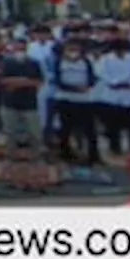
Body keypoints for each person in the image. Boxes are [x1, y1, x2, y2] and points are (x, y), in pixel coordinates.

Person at [0, 38, 45, 187]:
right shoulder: (7, 62)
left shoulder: (34, 63)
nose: (19, 51)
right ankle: (10, 158)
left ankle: (36, 157)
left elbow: (38, 82)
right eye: (17, 47)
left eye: (22, 48)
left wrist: (19, 82)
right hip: (10, 103)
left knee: (34, 132)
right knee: (10, 132)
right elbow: (3, 81)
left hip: (29, 104)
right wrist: (24, 81)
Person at [53, 38, 101, 167]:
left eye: (76, 50)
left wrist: (87, 87)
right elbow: (57, 81)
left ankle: (93, 155)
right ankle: (65, 153)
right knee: (65, 129)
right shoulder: (59, 62)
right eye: (70, 50)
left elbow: (93, 78)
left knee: (90, 130)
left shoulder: (86, 62)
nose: (73, 53)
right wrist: (74, 88)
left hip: (85, 100)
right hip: (65, 99)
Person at [98, 37, 130, 156]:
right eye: (118, 50)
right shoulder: (105, 59)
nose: (121, 52)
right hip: (112, 96)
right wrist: (115, 82)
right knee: (113, 126)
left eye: (123, 50)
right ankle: (115, 148)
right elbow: (101, 74)